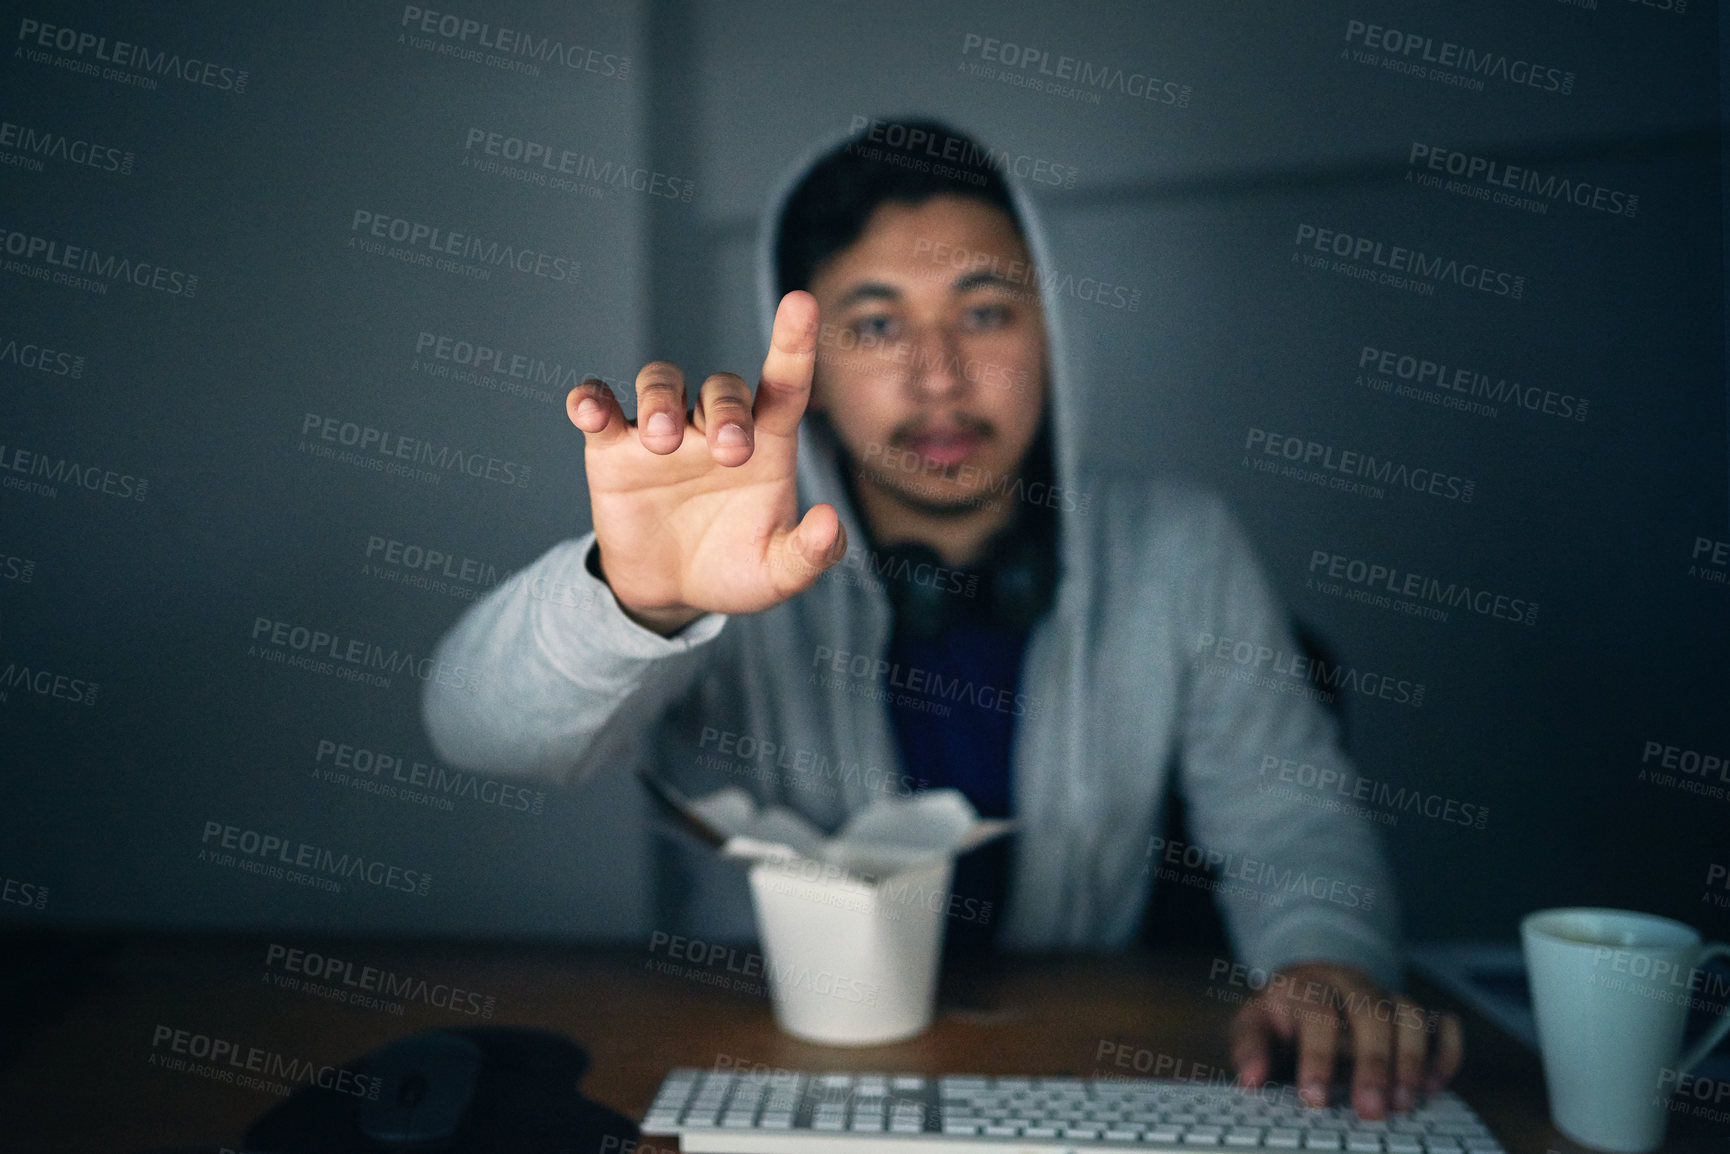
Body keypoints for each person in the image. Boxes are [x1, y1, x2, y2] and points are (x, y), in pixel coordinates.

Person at [423, 118, 1463, 1116]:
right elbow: (475, 732)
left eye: (984, 309)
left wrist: (1326, 961)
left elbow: (1288, 817)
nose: (940, 374)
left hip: (1068, 1068)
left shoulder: (1177, 543)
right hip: (763, 1070)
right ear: (814, 371)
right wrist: (636, 595)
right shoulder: (726, 553)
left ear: (1050, 332)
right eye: (875, 324)